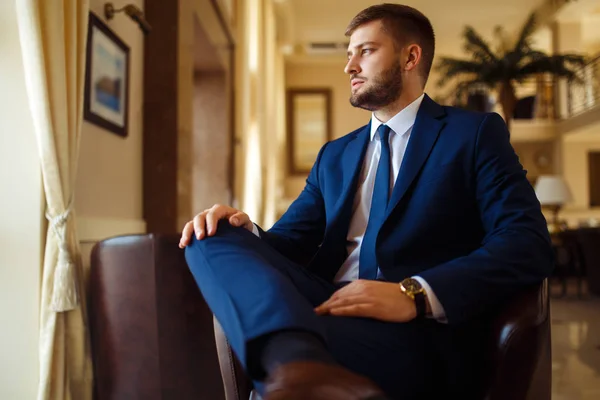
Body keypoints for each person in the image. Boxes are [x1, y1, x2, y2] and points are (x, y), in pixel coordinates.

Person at [180, 3, 554, 400]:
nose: (350, 67)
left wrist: (414, 293)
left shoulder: (473, 134)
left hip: (414, 330)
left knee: (281, 337)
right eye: (348, 55)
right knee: (212, 233)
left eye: (366, 51)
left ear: (411, 57)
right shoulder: (334, 156)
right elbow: (287, 244)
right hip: (326, 305)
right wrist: (246, 231)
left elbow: (526, 241)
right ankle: (298, 365)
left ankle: (292, 364)